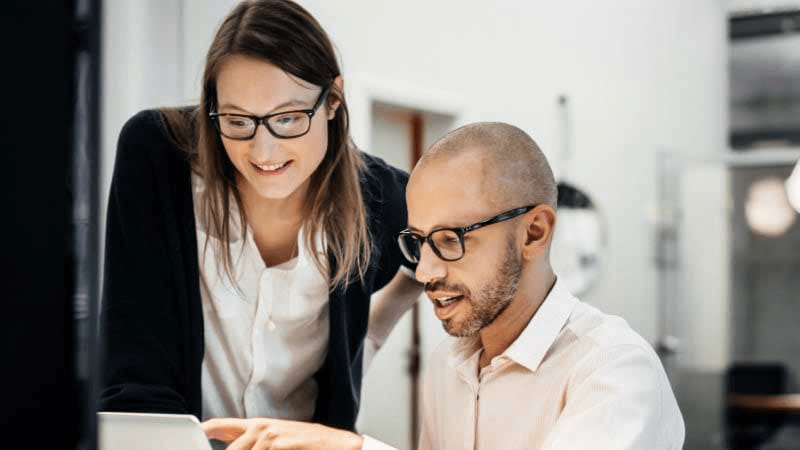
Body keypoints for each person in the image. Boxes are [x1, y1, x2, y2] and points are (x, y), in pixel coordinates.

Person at [99, 0, 422, 449]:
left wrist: (370, 336)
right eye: (237, 121)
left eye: (288, 118)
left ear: (333, 100)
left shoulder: (382, 199)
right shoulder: (158, 157)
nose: (263, 151)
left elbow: (464, 244)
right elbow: (135, 365)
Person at [395, 122, 685, 449]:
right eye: (418, 241)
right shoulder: (446, 364)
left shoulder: (614, 370)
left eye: (450, 239)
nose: (424, 272)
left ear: (534, 232)